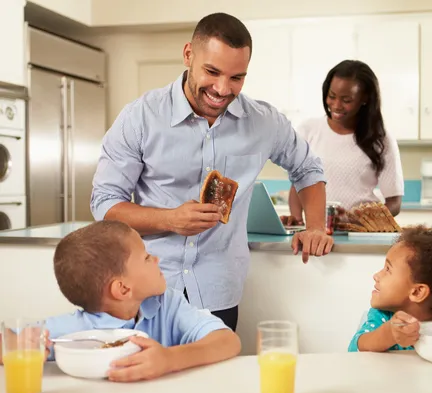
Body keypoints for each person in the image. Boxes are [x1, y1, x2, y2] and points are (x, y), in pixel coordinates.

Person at [90, 13, 334, 331]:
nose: (222, 89)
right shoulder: (140, 118)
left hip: (219, 293)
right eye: (212, 71)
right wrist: (169, 219)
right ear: (189, 54)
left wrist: (315, 226)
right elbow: (105, 205)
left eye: (237, 77)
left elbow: (308, 168)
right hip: (146, 290)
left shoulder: (263, 122)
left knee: (215, 380)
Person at [0, 221, 241, 382]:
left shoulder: (167, 305)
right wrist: (14, 342)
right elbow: (9, 342)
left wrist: (170, 359)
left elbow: (228, 341)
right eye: (146, 257)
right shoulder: (72, 332)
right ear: (123, 288)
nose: (157, 259)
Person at [281, 60, 404, 227]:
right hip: (317, 233)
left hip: (359, 234)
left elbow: (394, 203)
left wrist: (354, 219)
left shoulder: (381, 139)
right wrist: (297, 220)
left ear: (365, 99)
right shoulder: (308, 130)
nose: (336, 105)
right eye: (332, 96)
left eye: (347, 100)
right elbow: (298, 186)